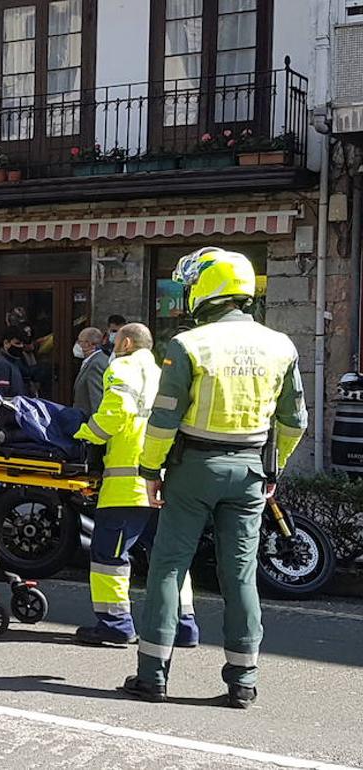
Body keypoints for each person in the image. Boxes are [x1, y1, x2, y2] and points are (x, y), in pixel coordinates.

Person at [122, 247, 306, 709]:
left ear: (207, 289)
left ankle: (153, 677)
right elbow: (295, 421)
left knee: (168, 569)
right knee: (240, 576)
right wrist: (273, 467)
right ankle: (243, 681)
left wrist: (150, 470)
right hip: (249, 473)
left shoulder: (188, 345)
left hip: (192, 470)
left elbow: (163, 421)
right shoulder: (282, 345)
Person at [73, 323, 199, 648]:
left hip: (126, 486)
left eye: (114, 343)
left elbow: (116, 413)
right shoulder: (162, 373)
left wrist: (84, 434)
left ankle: (115, 624)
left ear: (126, 342)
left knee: (108, 557)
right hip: (162, 483)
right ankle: (183, 625)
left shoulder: (123, 366)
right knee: (168, 557)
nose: (112, 349)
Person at [72, 327, 108, 414]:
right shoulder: (92, 361)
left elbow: (96, 399)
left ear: (88, 344)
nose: (77, 344)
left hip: (88, 421)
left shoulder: (96, 364)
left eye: (79, 341)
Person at [0, 326, 30, 397]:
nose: (21, 346)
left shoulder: (14, 362)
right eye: (17, 343)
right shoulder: (2, 365)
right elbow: (0, 396)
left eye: (22, 344)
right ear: (6, 343)